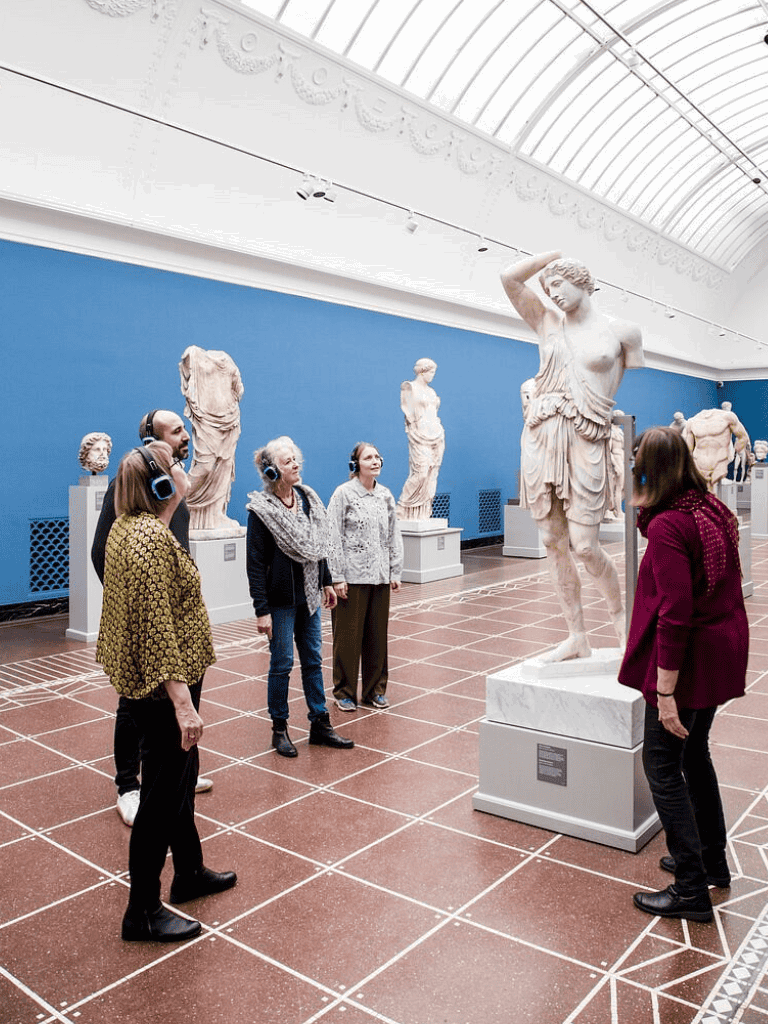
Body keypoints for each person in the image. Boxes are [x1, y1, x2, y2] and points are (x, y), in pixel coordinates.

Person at [96, 441, 236, 942]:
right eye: (175, 468)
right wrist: (183, 705)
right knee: (159, 797)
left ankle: (190, 871)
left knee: (179, 780)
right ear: (158, 486)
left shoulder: (132, 529)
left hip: (155, 681)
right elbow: (155, 628)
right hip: (162, 691)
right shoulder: (147, 543)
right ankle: (142, 910)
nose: (184, 471)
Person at [619, 427, 748, 922]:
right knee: (695, 753)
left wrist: (665, 690)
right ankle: (712, 863)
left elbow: (675, 612)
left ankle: (691, 887)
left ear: (650, 470)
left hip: (690, 658)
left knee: (661, 763)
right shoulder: (710, 508)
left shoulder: (670, 525)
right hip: (719, 649)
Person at [501, 251, 644, 662]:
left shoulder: (624, 332)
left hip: (586, 436)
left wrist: (560, 261)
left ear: (582, 280)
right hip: (541, 436)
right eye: (547, 289)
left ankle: (622, 622)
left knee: (584, 544)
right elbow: (509, 278)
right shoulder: (547, 322)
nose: (552, 294)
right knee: (552, 541)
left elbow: (613, 379)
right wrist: (548, 257)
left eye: (558, 284)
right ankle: (576, 635)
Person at [91, 409, 213, 828]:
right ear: (152, 440)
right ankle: (128, 784)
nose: (186, 435)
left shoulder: (173, 485)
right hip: (148, 619)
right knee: (134, 703)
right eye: (177, 430)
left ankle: (178, 770)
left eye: (184, 428)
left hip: (173, 616)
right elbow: (101, 551)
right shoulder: (132, 487)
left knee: (178, 708)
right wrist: (136, 606)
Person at [246, 436, 355, 757]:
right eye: (287, 461)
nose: (295, 464)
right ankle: (279, 729)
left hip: (309, 596)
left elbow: (317, 545)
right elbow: (254, 564)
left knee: (312, 661)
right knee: (281, 664)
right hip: (279, 602)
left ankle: (320, 724)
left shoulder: (308, 499)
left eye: (296, 458)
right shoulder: (261, 511)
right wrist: (261, 610)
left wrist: (326, 582)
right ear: (270, 471)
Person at [327, 443, 403, 711]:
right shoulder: (343, 494)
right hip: (352, 578)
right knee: (348, 638)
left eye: (377, 457)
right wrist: (336, 576)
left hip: (380, 577)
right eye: (368, 457)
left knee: (376, 637)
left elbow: (393, 534)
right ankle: (344, 691)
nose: (375, 461)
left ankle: (375, 691)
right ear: (355, 464)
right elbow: (332, 536)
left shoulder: (385, 496)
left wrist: (395, 570)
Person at [179, 345, 244, 531]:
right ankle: (177, 504)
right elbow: (187, 368)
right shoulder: (193, 354)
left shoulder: (226, 359)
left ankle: (216, 515)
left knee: (224, 467)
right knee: (205, 466)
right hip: (206, 420)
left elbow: (238, 388)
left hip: (229, 420)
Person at [396, 358, 445, 520]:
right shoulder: (409, 388)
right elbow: (410, 416)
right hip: (419, 436)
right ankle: (403, 507)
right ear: (423, 371)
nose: (433, 376)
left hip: (436, 435)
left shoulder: (431, 392)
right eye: (431, 372)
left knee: (431, 474)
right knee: (421, 473)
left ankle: (424, 511)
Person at [682, 403, 750, 491]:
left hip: (720, 460)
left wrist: (738, 449)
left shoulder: (729, 418)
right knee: (704, 493)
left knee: (712, 493)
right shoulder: (692, 422)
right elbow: (689, 449)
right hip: (699, 463)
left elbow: (743, 436)